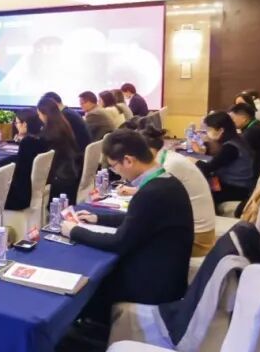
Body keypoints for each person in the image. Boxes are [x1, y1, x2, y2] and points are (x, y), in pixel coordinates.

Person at [64, 130, 193, 317]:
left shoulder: (152, 193)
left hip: (154, 285)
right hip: (165, 273)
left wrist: (75, 231)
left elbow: (119, 242)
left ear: (128, 161)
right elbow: (139, 219)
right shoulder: (165, 181)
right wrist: (98, 218)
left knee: (88, 286)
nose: (116, 172)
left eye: (114, 166)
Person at [123, 125, 217, 259]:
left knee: (134, 243)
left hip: (197, 240)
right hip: (195, 231)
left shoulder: (169, 165)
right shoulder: (169, 157)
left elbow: (154, 199)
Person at [194, 111, 255, 208]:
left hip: (236, 189)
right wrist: (205, 151)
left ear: (221, 130)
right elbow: (220, 158)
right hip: (239, 185)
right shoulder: (236, 140)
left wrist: (194, 161)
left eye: (209, 129)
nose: (207, 133)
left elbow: (208, 168)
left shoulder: (230, 148)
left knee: (199, 192)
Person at [35, 98, 82, 202]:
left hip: (58, 179)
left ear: (45, 114)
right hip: (71, 173)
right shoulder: (63, 125)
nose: (39, 117)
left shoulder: (48, 135)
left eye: (39, 114)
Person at [5, 110, 50, 211]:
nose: (15, 126)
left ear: (24, 124)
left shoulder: (27, 143)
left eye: (16, 123)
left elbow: (20, 172)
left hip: (20, 198)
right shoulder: (42, 139)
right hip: (35, 191)